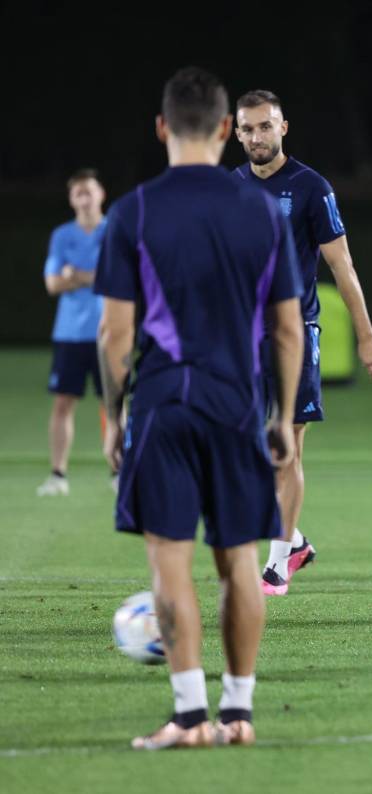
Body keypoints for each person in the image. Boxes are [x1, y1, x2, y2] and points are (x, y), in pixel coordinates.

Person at [95, 67, 304, 748]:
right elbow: (287, 329)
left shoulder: (132, 211)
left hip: (162, 405)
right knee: (239, 560)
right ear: (224, 130)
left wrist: (114, 414)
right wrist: (280, 416)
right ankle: (238, 714)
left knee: (170, 562)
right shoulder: (261, 212)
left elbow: (114, 333)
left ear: (162, 129)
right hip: (237, 404)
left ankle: (188, 717)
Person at [233, 90, 372, 596]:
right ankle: (295, 539)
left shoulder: (309, 187)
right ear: (236, 134)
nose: (257, 136)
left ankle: (277, 564)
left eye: (265, 126)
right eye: (248, 129)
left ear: (283, 128)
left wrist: (365, 336)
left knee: (285, 448)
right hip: (241, 338)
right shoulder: (230, 188)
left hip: (295, 333)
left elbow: (342, 266)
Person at [38, 169, 108, 497]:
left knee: (115, 405)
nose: (84, 198)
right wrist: (93, 276)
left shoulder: (114, 231)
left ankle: (121, 474)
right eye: (77, 192)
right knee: (63, 403)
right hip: (69, 333)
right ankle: (57, 474)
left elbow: (123, 278)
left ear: (101, 195)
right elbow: (52, 284)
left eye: (88, 192)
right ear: (71, 199)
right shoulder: (61, 235)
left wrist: (76, 275)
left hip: (110, 331)